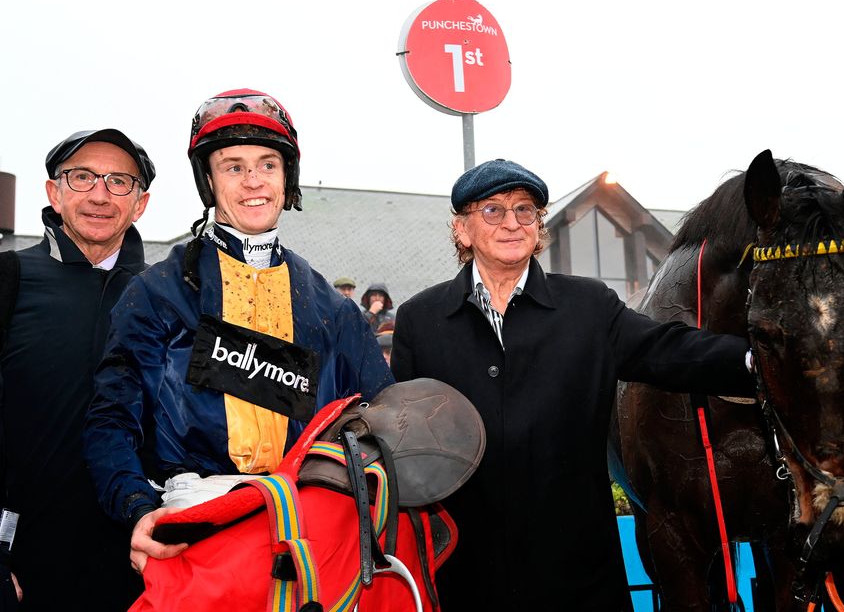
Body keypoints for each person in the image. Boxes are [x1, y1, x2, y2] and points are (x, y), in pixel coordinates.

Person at [390, 158, 756, 611]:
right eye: (493, 211)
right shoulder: (420, 320)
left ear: (539, 228)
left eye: (526, 211)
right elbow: (402, 443)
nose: (512, 223)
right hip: (462, 574)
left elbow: (668, 349)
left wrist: (756, 360)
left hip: (576, 575)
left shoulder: (588, 306)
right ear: (462, 230)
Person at [83, 89, 393, 574]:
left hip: (310, 532)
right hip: (193, 531)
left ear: (287, 178)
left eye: (267, 164)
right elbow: (111, 420)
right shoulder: (157, 292)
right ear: (209, 181)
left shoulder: (335, 310)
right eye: (233, 167)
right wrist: (137, 507)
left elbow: (382, 419)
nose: (253, 181)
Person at [0, 129, 154, 610]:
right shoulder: (10, 278)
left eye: (119, 182)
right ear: (54, 192)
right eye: (82, 177)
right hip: (22, 561)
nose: (100, 195)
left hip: (135, 562)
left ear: (140, 204)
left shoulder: (165, 297)